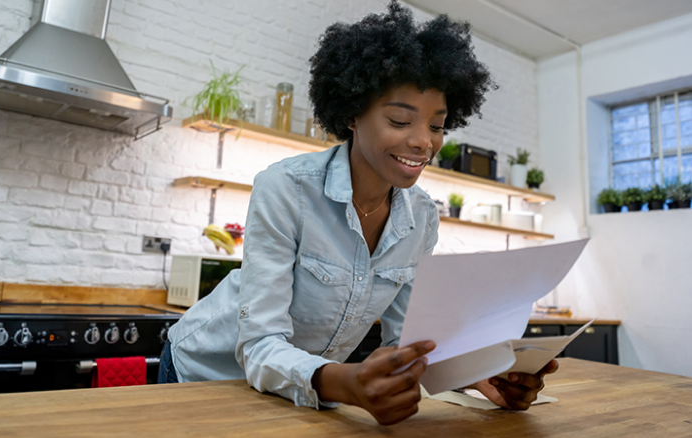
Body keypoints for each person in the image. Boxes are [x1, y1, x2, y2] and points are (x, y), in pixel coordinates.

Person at [159, 1, 557, 426]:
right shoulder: (287, 188)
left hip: (299, 392)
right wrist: (348, 385)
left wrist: (478, 374)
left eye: (437, 126)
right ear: (351, 113)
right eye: (401, 121)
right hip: (206, 374)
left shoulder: (420, 217)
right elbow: (259, 346)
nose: (424, 142)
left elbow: (410, 341)